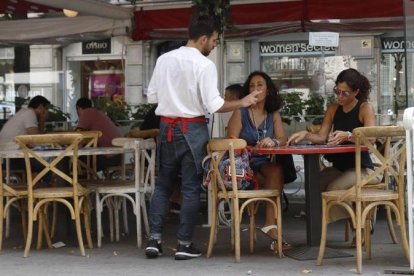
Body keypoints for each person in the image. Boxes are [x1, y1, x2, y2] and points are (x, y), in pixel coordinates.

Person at [145, 15, 261, 260]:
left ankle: (154, 240)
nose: (215, 45)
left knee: (163, 185)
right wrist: (242, 101)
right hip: (192, 129)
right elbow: (214, 105)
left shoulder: (164, 59)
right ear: (204, 38)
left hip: (166, 127)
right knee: (189, 187)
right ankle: (184, 244)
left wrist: (174, 97)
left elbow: (152, 97)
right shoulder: (205, 65)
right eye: (215, 41)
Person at [287, 68, 379, 243]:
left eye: (345, 93)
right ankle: (358, 223)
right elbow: (321, 137)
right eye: (337, 91)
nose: (340, 97)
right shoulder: (333, 108)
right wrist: (305, 135)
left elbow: (372, 137)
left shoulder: (364, 108)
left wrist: (349, 135)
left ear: (356, 92)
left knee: (333, 190)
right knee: (313, 187)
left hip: (363, 169)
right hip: (339, 167)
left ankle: (359, 227)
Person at [226, 71, 289, 251]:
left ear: (267, 90)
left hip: (262, 163)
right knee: (275, 181)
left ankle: (270, 225)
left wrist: (274, 141)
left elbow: (283, 139)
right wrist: (247, 147)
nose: (255, 89)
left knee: (276, 171)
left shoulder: (272, 114)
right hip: (242, 164)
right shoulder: (241, 112)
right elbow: (230, 140)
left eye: (260, 85)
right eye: (252, 86)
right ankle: (274, 231)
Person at [0, 95, 50, 171]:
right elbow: (37, 140)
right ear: (40, 106)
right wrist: (42, 121)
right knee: (47, 163)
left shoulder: (24, 112)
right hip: (11, 158)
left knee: (45, 163)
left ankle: (41, 182)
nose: (47, 112)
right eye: (46, 108)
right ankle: (47, 182)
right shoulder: (29, 113)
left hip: (8, 156)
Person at [75, 97, 122, 172]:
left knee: (74, 163)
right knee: (80, 160)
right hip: (117, 155)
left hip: (109, 157)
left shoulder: (87, 113)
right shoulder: (97, 113)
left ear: (78, 108)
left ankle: (79, 182)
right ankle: (88, 180)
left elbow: (76, 136)